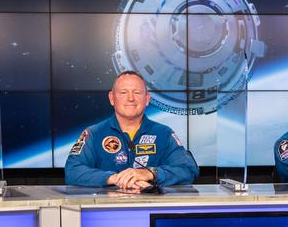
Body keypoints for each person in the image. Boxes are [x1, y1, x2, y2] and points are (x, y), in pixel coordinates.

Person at [64, 71, 198, 189]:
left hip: (151, 209)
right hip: (106, 210)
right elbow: (72, 171)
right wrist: (115, 178)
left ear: (147, 99)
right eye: (123, 92)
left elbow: (187, 170)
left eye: (137, 92)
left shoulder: (164, 134)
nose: (130, 98)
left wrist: (150, 173)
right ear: (112, 98)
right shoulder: (93, 134)